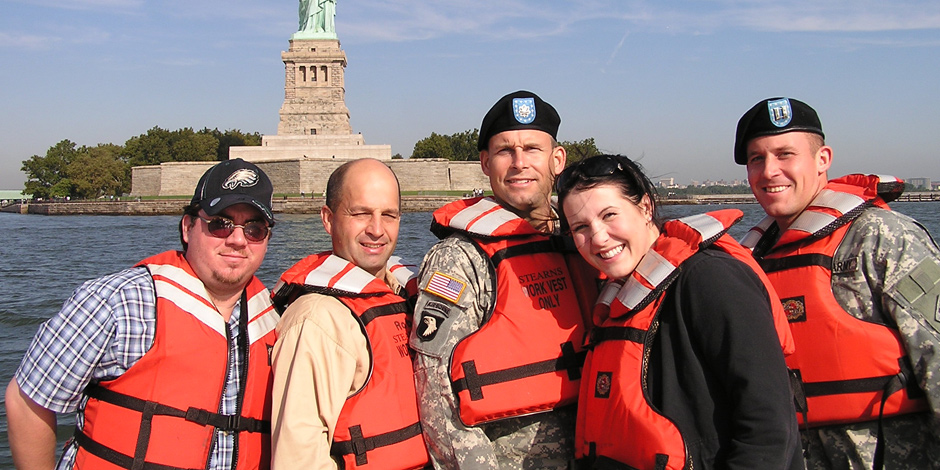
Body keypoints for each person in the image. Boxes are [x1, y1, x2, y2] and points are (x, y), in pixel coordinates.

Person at [5, 158, 280, 470]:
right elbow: (27, 402)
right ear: (188, 227)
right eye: (220, 223)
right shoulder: (114, 301)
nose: (237, 239)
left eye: (255, 229)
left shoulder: (280, 320)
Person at [556, 154, 802, 469]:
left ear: (645, 207)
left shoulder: (709, 279)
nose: (599, 238)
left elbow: (769, 426)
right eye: (581, 227)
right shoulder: (618, 295)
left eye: (609, 215)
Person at [735, 97, 940, 469]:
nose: (769, 171)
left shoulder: (883, 237)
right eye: (756, 159)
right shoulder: (749, 262)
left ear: (822, 159)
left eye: (785, 154)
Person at [409, 90, 598, 469]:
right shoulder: (460, 259)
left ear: (557, 159)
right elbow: (436, 394)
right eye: (504, 151)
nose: (519, 163)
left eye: (532, 149)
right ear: (485, 163)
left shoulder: (591, 241)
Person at [269, 158, 430, 470]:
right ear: (329, 220)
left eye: (389, 215)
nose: (377, 230)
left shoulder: (407, 296)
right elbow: (298, 460)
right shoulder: (317, 321)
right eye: (361, 214)